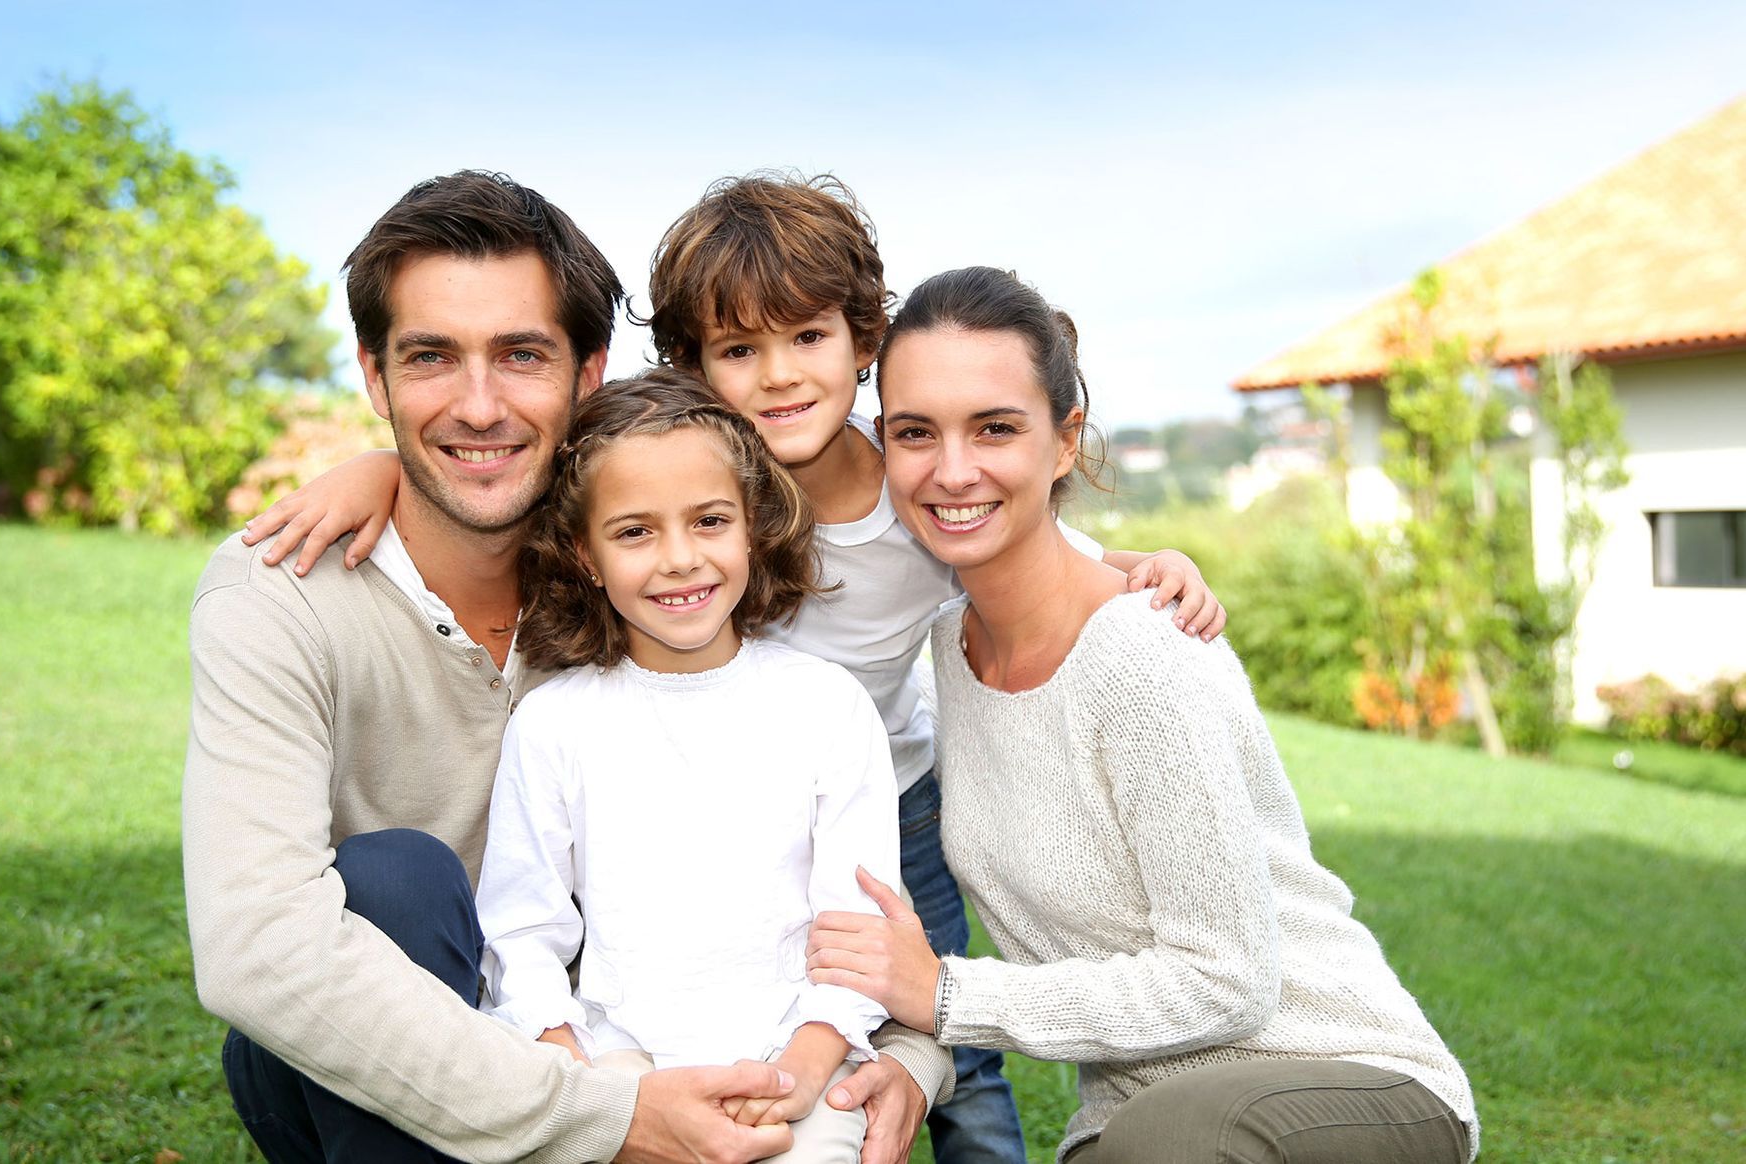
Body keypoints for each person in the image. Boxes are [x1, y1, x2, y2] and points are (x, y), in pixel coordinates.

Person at [246, 173, 1226, 1164]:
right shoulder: (678, 477)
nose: (778, 375)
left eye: (808, 338)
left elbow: (1009, 522)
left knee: (949, 1058)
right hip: (692, 813)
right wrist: (376, 467)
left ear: (864, 345)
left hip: (897, 798)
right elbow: (533, 471)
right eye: (740, 350)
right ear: (696, 368)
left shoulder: (913, 485)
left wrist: (1139, 567)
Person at [183, 170, 950, 1164]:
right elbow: (261, 953)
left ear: (588, 374)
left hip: (638, 1038)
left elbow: (810, 884)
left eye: (520, 356)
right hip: (430, 1048)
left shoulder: (640, 588)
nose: (478, 404)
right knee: (394, 881)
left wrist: (911, 1063)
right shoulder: (278, 590)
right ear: (373, 378)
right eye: (429, 359)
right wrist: (603, 1117)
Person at [803, 266, 1480, 1164]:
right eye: (915, 434)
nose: (952, 469)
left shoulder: (1144, 654)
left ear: (1063, 440)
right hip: (1132, 1127)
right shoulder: (945, 654)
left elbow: (1228, 982)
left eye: (995, 428)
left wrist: (953, 999)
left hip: (1343, 1081)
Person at [481, 368, 901, 1164]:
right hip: (621, 1069)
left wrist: (801, 1075)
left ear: (752, 527)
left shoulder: (827, 707)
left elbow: (856, 928)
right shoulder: (555, 723)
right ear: (587, 554)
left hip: (798, 1063)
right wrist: (586, 1082)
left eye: (709, 521)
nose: (680, 559)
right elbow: (522, 931)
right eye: (635, 532)